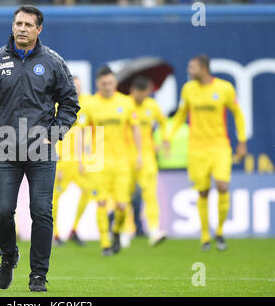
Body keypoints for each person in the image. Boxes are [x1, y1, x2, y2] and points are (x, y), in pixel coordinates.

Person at [0, 5, 79, 292]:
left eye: (29, 24)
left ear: (39, 29)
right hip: (4, 150)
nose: (22, 28)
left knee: (41, 211)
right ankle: (8, 255)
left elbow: (70, 104)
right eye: (18, 23)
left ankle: (38, 275)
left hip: (41, 150)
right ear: (12, 25)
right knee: (2, 212)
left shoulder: (53, 62)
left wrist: (54, 133)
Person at [164, 54, 247, 251]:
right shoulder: (188, 89)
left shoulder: (224, 88)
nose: (188, 71)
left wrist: (242, 141)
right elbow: (181, 116)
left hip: (219, 146)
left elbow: (238, 113)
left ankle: (219, 232)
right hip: (196, 148)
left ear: (203, 68)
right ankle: (204, 236)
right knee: (202, 191)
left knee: (222, 185)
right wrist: (168, 136)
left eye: (191, 67)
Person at [78, 66, 142, 256]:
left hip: (122, 162)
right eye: (104, 83)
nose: (107, 86)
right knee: (101, 202)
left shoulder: (126, 102)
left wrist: (139, 154)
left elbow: (136, 128)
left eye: (111, 83)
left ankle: (116, 232)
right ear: (98, 84)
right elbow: (81, 131)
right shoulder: (90, 105)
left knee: (123, 205)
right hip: (98, 162)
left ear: (115, 83)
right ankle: (105, 242)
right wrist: (81, 157)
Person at [124, 76, 167, 247]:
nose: (143, 97)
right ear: (133, 91)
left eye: (146, 94)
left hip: (147, 156)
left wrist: (162, 141)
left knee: (150, 193)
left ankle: (154, 231)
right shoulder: (125, 105)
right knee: (125, 196)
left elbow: (164, 123)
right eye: (141, 94)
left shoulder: (152, 106)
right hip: (127, 155)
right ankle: (125, 231)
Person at [52, 76, 92, 247]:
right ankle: (55, 234)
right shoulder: (56, 106)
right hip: (62, 161)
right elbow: (52, 134)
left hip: (78, 161)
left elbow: (87, 133)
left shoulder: (87, 105)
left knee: (88, 191)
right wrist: (56, 159)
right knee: (54, 198)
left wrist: (85, 158)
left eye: (79, 86)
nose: (78, 90)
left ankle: (74, 229)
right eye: (74, 87)